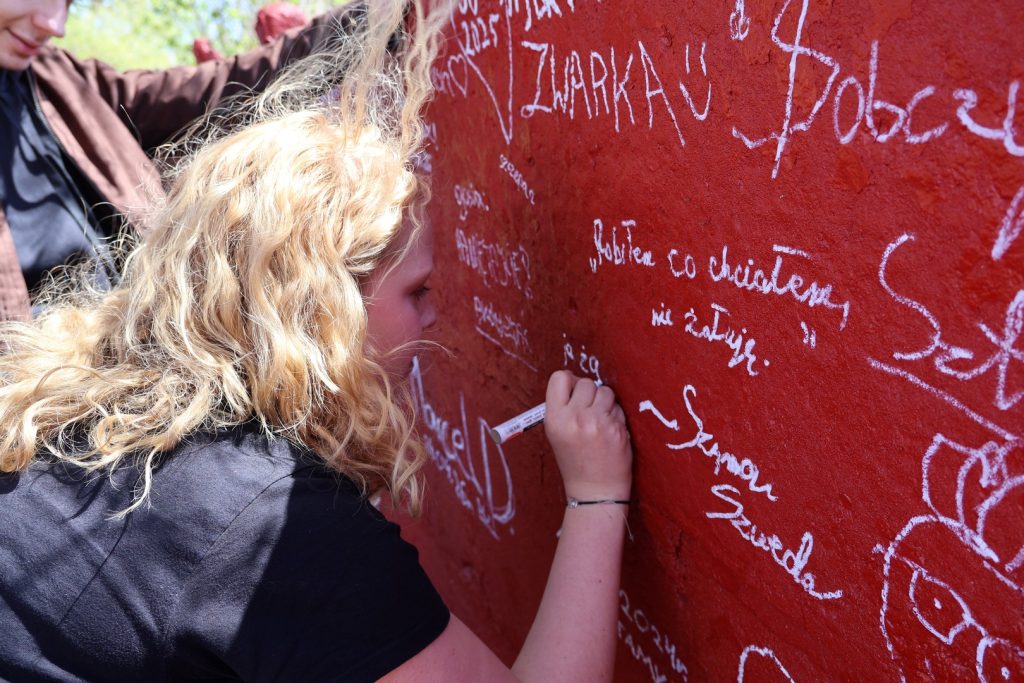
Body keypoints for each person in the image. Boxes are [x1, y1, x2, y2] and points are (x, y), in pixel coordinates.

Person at [0, 2, 634, 681]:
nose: (435, 317)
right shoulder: (272, 524)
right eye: (417, 290)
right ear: (324, 307)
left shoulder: (68, 407)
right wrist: (596, 496)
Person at [0, 0, 348, 320]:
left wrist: (361, 22)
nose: (55, 24)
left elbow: (214, 90)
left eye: (67, 2)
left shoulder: (56, 76)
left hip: (152, 326)